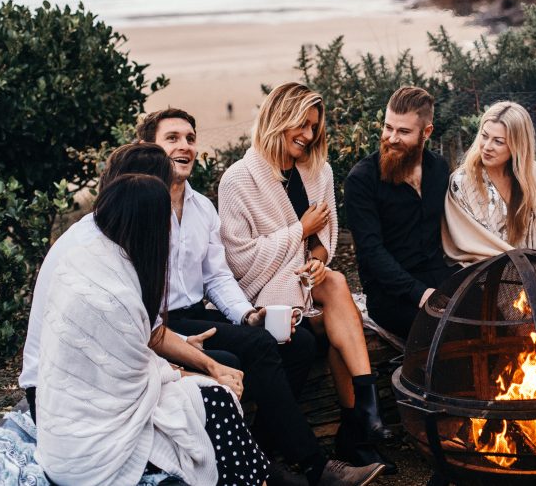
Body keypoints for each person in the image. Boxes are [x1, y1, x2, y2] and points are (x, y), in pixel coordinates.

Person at [138, 108, 383, 486]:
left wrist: (247, 314)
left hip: (195, 312)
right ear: (148, 147)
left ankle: (261, 457)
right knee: (251, 350)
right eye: (172, 138)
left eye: (190, 138)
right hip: (156, 326)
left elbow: (217, 277)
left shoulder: (202, 207)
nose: (185, 146)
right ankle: (317, 468)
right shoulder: (136, 207)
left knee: (297, 344)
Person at [35, 173, 270, 486]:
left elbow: (136, 360)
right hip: (94, 449)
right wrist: (207, 377)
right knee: (218, 401)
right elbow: (136, 384)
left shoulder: (89, 259)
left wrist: (204, 373)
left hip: (67, 428)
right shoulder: (115, 294)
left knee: (213, 392)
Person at [219, 83, 397, 473]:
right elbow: (240, 262)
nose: (308, 134)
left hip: (310, 288)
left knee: (331, 280)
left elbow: (324, 242)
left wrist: (316, 259)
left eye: (314, 126)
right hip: (264, 295)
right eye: (300, 124)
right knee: (320, 323)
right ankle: (358, 424)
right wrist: (298, 231)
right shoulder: (237, 180)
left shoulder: (319, 172)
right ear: (276, 119)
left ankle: (363, 414)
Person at [19, 142, 242, 423]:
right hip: (63, 396)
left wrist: (210, 365)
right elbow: (124, 366)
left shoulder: (116, 234)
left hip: (99, 379)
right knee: (213, 394)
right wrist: (199, 375)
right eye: (166, 188)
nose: (171, 199)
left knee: (223, 367)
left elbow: (149, 330)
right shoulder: (94, 255)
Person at [344, 86, 460, 339]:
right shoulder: (361, 180)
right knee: (446, 333)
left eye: (403, 131)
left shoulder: (439, 169)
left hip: (440, 279)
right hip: (390, 295)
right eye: (388, 127)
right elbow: (372, 253)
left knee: (495, 317)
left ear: (426, 132)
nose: (392, 138)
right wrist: (420, 294)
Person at [442, 100, 536, 265]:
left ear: (517, 145)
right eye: (484, 136)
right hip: (487, 274)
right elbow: (468, 244)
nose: (487, 147)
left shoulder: (533, 174)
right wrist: (529, 258)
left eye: (498, 141)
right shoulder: (462, 181)